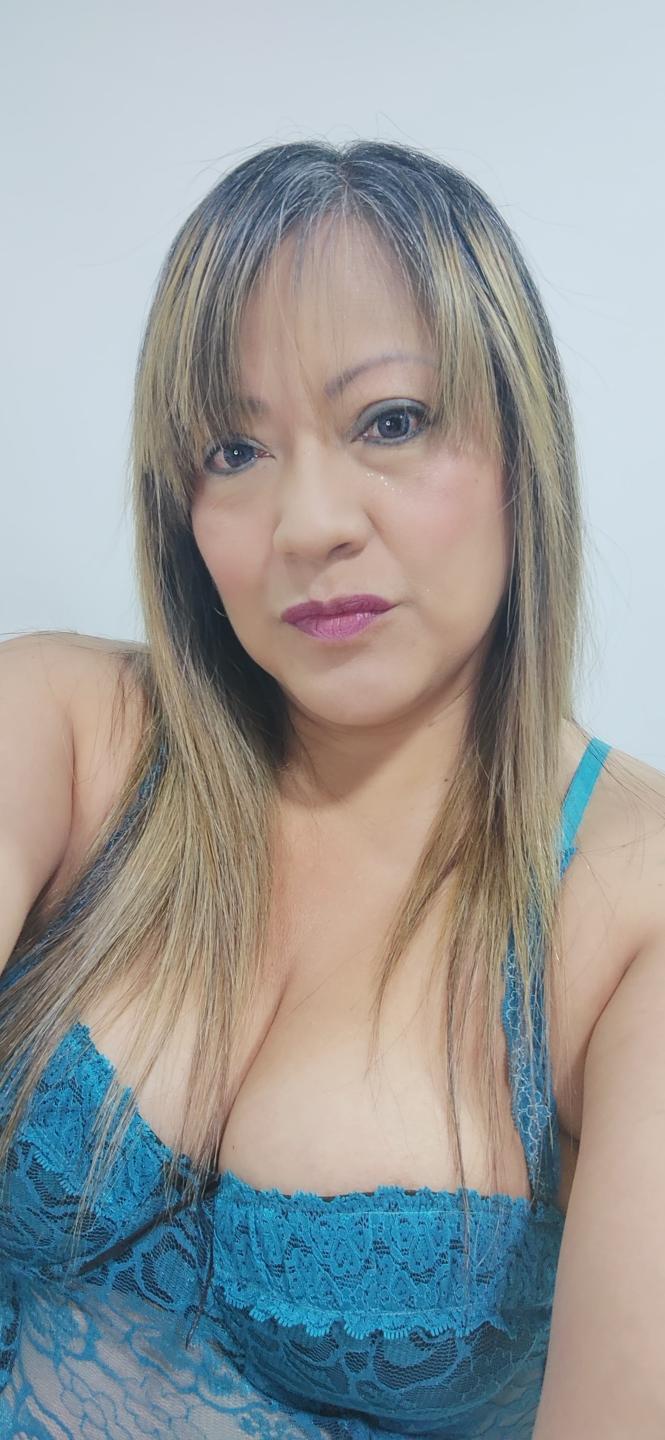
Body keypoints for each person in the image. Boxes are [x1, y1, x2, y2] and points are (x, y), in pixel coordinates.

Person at [0, 138, 663, 1439]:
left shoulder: (628, 914)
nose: (309, 523)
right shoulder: (60, 730)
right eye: (231, 448)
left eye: (390, 421)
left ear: (521, 448)